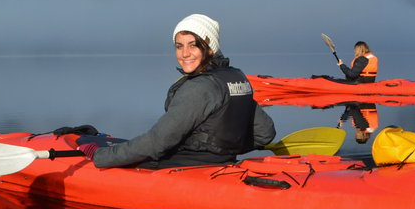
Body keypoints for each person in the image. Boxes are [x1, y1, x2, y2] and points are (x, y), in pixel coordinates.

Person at [82, 14, 277, 169]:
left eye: (193, 45)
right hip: (222, 163)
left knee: (112, 154)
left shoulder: (200, 88)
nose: (184, 54)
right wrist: (224, 150)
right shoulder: (237, 79)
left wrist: (100, 156)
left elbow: (156, 143)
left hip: (186, 166)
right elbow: (265, 133)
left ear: (210, 48)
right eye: (179, 46)